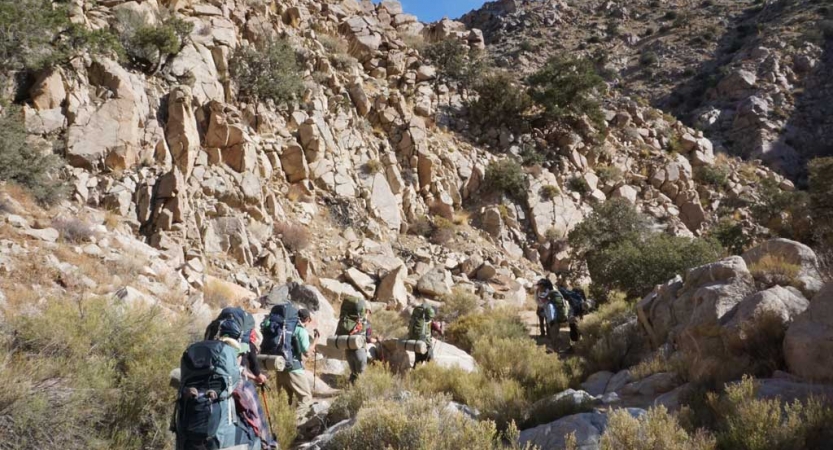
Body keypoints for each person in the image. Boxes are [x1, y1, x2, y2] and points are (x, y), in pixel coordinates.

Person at [276, 308, 318, 412]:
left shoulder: (285, 328)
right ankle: (297, 420)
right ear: (307, 319)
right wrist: (316, 340)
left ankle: (282, 420)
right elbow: (307, 352)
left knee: (285, 400)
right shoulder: (301, 331)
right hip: (294, 369)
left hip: (280, 367)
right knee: (306, 398)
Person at [408, 303, 436, 368]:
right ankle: (431, 373)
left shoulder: (417, 318)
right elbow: (436, 326)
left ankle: (414, 373)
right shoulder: (428, 320)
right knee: (431, 362)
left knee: (418, 361)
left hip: (416, 341)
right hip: (426, 343)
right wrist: (440, 330)